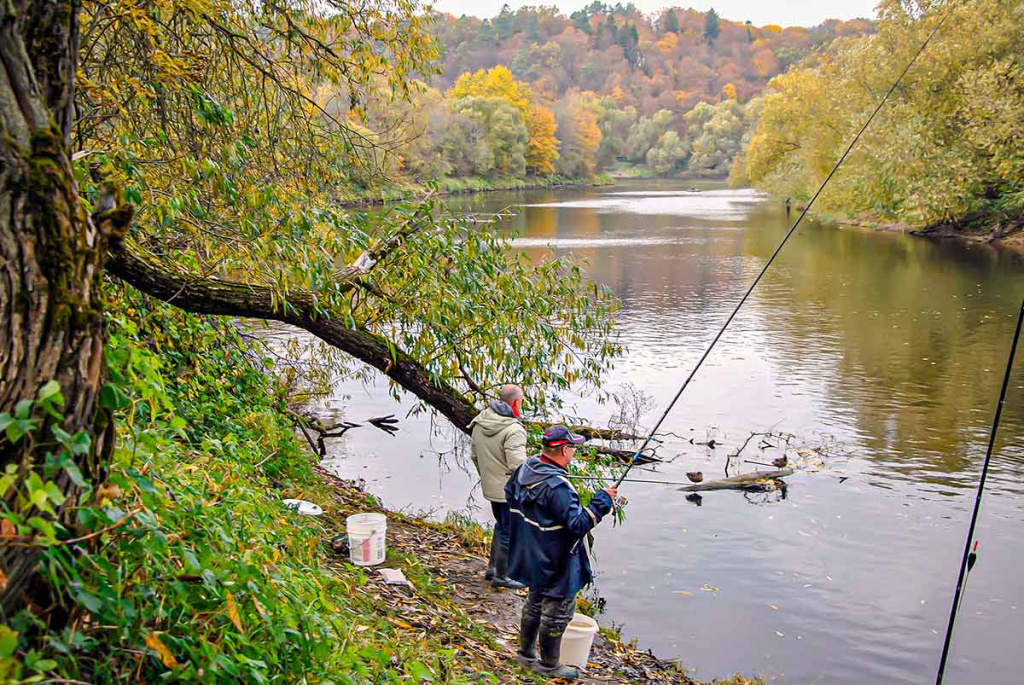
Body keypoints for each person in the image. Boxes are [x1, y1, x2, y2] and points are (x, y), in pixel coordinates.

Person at [504, 425, 618, 680]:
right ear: (564, 450)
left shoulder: (528, 467)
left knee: (535, 601)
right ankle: (549, 665)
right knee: (557, 612)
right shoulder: (558, 487)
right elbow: (577, 525)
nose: (574, 453)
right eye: (573, 448)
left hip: (531, 550)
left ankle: (525, 654)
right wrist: (602, 502)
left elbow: (510, 495)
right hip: (555, 558)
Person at [469, 384, 528, 588]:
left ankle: (493, 568)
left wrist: (488, 478)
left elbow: (475, 456)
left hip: (491, 486)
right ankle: (501, 576)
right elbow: (518, 466)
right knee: (508, 530)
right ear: (516, 402)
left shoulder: (480, 421)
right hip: (509, 490)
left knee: (500, 525)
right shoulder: (513, 429)